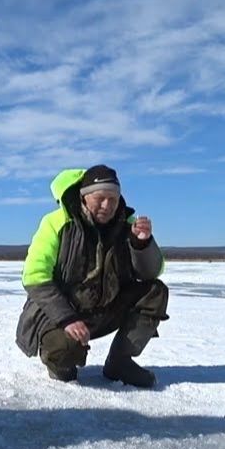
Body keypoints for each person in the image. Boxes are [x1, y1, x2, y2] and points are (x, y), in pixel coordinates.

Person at [14, 165, 169, 387]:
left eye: (113, 199)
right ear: (84, 197)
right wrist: (67, 318)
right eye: (100, 198)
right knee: (64, 351)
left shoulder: (127, 225)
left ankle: (120, 362)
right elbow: (34, 277)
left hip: (104, 309)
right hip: (59, 316)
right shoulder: (56, 223)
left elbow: (150, 273)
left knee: (155, 291)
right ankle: (61, 364)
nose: (107, 205)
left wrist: (141, 244)